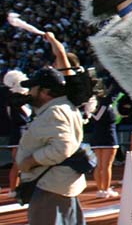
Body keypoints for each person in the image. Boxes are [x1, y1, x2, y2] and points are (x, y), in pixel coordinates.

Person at [16, 68, 85, 225]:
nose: (29, 92)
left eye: (33, 88)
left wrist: (31, 160)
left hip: (50, 186)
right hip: (58, 183)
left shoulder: (55, 111)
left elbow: (63, 147)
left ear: (45, 91)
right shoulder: (65, 107)